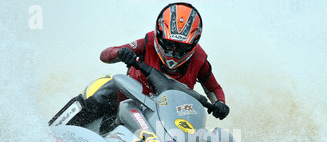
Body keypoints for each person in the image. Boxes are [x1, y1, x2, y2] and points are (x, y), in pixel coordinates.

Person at [68, 2, 230, 130]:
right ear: (159, 35)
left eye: (180, 48)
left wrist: (220, 103)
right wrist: (121, 53)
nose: (173, 52)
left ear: (193, 44)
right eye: (168, 44)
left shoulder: (199, 60)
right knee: (101, 96)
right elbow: (105, 55)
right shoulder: (148, 42)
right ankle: (60, 132)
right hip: (126, 102)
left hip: (166, 119)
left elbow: (213, 89)